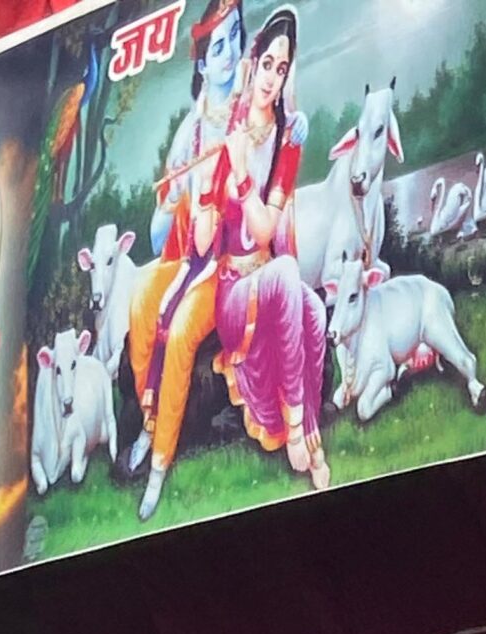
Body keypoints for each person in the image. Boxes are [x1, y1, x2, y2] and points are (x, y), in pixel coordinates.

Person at [127, 0, 247, 520]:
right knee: (139, 303)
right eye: (216, 47)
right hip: (186, 257)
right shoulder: (191, 130)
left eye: (235, 40)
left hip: (231, 262)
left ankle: (159, 464)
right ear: (201, 64)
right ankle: (152, 422)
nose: (228, 56)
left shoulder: (254, 109)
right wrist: (176, 197)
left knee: (178, 335)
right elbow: (160, 233)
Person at [208, 9, 330, 493]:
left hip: (267, 272)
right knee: (282, 274)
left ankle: (310, 431)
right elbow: (233, 237)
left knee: (315, 312)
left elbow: (265, 230)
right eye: (268, 65)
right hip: (235, 293)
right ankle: (296, 429)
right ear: (253, 64)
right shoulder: (230, 129)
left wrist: (244, 173)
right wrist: (224, 176)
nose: (273, 79)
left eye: (283, 69)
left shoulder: (287, 142)